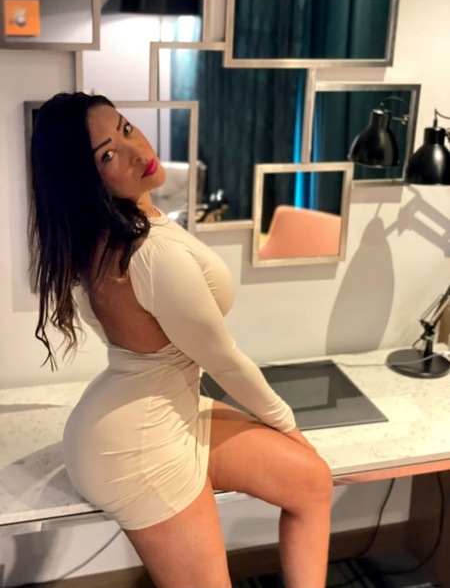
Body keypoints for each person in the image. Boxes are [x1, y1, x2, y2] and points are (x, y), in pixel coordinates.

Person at [29, 92, 333, 588]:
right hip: (139, 445)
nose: (137, 151)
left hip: (163, 408)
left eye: (126, 128)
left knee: (312, 483)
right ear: (85, 179)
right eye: (108, 155)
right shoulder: (150, 254)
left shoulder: (105, 236)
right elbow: (223, 360)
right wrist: (288, 425)